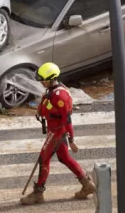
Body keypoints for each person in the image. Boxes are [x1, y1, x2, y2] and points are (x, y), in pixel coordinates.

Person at [20, 62, 96, 205]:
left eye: (43, 79)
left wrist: (72, 140)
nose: (41, 82)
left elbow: (67, 120)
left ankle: (38, 193)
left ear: (51, 78)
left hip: (57, 132)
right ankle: (87, 184)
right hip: (53, 129)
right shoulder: (52, 90)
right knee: (64, 158)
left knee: (44, 159)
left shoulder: (60, 96)